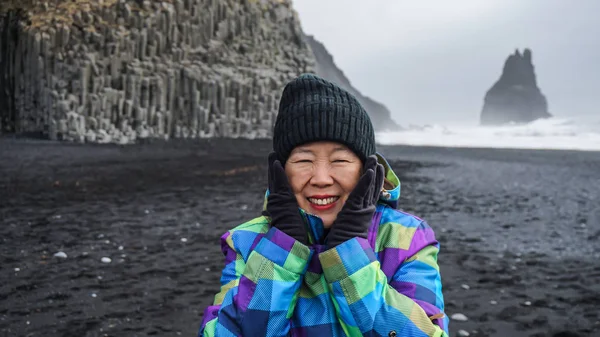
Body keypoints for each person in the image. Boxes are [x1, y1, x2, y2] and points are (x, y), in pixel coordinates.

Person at [198, 74, 449, 337]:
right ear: (280, 171)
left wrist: (349, 252)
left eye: (339, 160)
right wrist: (281, 248)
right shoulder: (246, 241)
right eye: (304, 161)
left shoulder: (407, 238)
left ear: (366, 171)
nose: (320, 179)